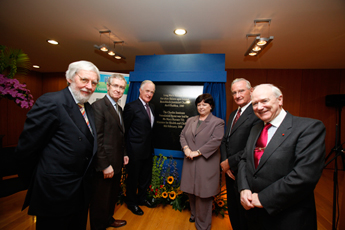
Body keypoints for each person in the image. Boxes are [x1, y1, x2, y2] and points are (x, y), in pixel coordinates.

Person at [14, 60, 100, 230]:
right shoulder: (51, 102)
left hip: (80, 192)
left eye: (94, 83)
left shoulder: (88, 108)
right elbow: (26, 150)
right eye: (84, 80)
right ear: (69, 78)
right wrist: (39, 181)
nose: (89, 86)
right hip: (55, 194)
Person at [238, 84, 326, 230]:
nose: (259, 107)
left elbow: (305, 176)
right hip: (254, 215)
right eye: (255, 103)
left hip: (288, 217)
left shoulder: (309, 128)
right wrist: (244, 188)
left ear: (280, 100)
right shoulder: (255, 128)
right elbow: (244, 160)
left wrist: (263, 198)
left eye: (264, 101)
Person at [220, 78, 260, 230]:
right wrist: (225, 162)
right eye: (234, 92)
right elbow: (225, 141)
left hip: (245, 172)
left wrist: (230, 162)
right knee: (233, 209)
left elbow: (252, 147)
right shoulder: (233, 114)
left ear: (251, 91)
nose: (237, 95)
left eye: (241, 91)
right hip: (229, 172)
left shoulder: (257, 113)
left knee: (245, 214)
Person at [180, 93, 225, 230]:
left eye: (204, 104)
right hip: (190, 162)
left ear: (211, 106)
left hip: (206, 163)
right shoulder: (190, 120)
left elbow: (215, 141)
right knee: (192, 191)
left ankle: (203, 225)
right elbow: (182, 135)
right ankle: (194, 215)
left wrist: (197, 152)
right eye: (199, 104)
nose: (201, 107)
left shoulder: (218, 122)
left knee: (204, 194)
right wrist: (186, 148)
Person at [90, 74, 129, 229]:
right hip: (105, 164)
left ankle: (108, 219)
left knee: (111, 196)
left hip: (117, 161)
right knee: (100, 199)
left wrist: (125, 153)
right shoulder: (98, 106)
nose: (118, 90)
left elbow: (120, 135)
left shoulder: (119, 108)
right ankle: (98, 226)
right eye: (115, 86)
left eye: (121, 87)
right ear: (108, 86)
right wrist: (104, 164)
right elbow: (97, 139)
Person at [123, 80, 156, 215]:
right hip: (134, 152)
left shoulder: (152, 107)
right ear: (140, 90)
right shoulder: (131, 107)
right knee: (133, 179)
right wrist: (125, 152)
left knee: (145, 178)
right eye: (147, 91)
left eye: (152, 92)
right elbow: (124, 131)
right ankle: (131, 203)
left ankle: (141, 199)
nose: (149, 94)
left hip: (148, 151)